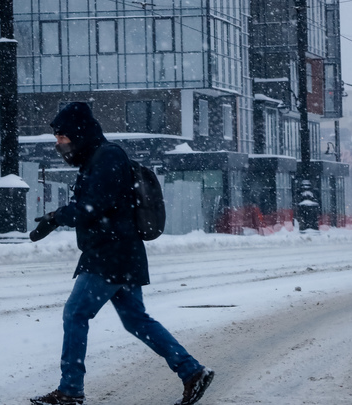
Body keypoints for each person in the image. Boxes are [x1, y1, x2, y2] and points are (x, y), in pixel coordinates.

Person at [29, 102, 214, 405]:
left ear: (78, 133)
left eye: (62, 137)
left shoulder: (107, 157)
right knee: (136, 320)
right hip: (117, 253)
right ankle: (191, 371)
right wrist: (57, 217)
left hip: (110, 254)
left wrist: (57, 217)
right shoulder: (96, 159)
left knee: (76, 314)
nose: (58, 144)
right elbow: (92, 205)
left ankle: (70, 389)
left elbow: (94, 206)